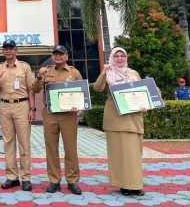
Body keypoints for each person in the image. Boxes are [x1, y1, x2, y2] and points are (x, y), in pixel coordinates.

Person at [93, 46, 145, 196]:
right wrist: (103, 72)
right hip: (115, 118)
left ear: (126, 58)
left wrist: (145, 104)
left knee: (134, 154)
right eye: (117, 56)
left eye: (122, 56)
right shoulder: (108, 73)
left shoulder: (133, 73)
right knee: (118, 153)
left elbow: (142, 91)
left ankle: (136, 185)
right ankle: (123, 185)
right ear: (112, 58)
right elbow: (97, 88)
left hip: (133, 118)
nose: (120, 58)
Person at [35, 45, 83, 195]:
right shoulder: (46, 71)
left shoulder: (74, 73)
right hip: (50, 114)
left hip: (69, 115)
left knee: (70, 148)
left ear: (66, 56)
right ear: (52, 56)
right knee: (51, 148)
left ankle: (72, 181)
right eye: (55, 54)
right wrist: (38, 77)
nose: (58, 56)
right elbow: (35, 90)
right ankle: (54, 180)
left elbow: (81, 92)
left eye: (61, 54)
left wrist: (78, 105)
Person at [0, 39, 36, 191]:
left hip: (22, 106)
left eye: (11, 48)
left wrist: (32, 109)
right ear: (3, 51)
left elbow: (31, 88)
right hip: (5, 106)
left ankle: (26, 177)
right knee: (8, 143)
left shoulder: (24, 67)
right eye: (6, 48)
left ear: (16, 51)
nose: (8, 51)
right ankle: (12, 177)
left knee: (24, 143)